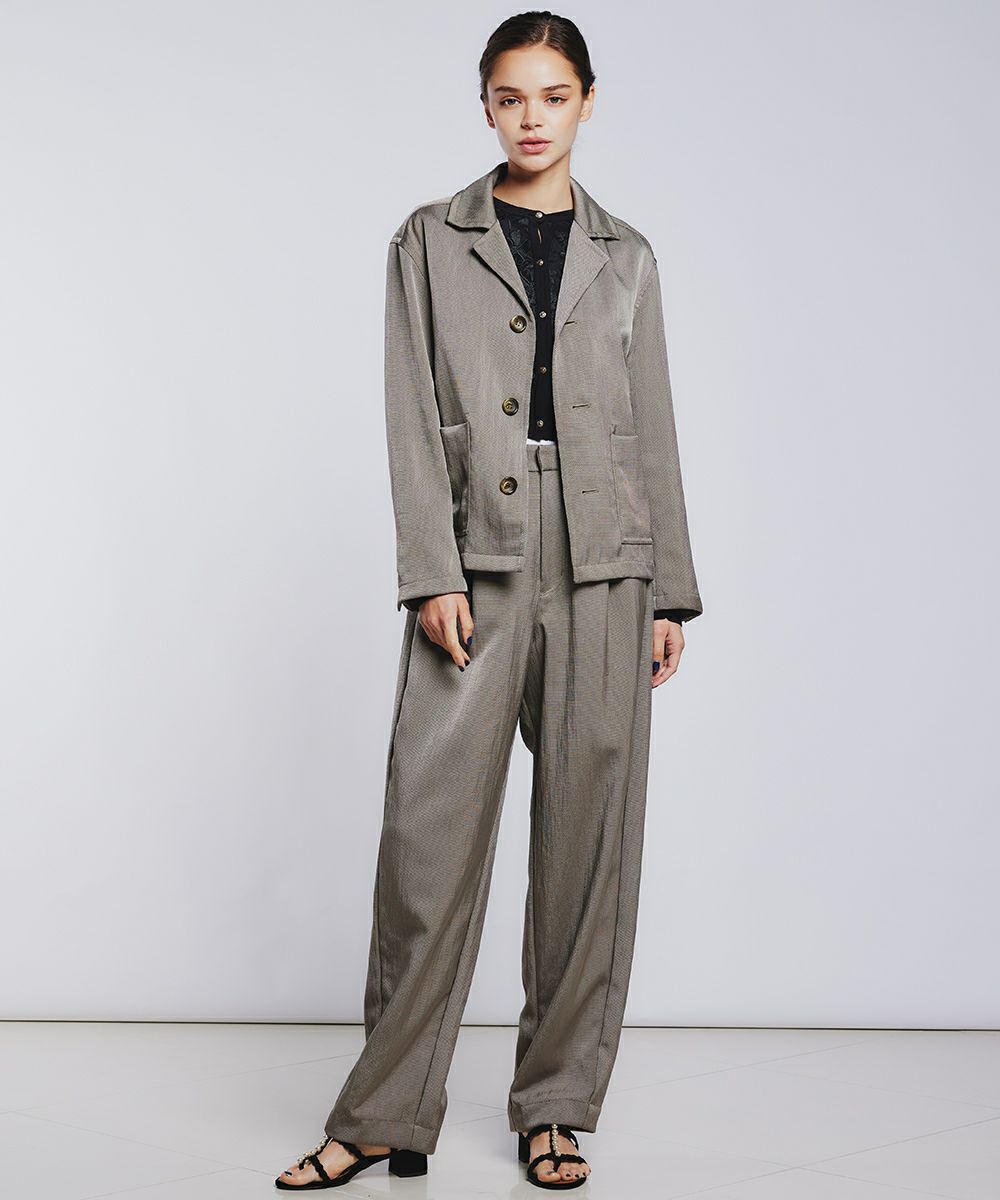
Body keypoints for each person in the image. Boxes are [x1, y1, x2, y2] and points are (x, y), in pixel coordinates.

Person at [276, 9, 703, 1192]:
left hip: (609, 560)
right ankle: (384, 1113)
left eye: (553, 96)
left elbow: (652, 424)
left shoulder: (628, 255)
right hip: (478, 555)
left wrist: (668, 589)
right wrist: (430, 570)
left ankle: (556, 1106)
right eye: (510, 97)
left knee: (586, 851)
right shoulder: (428, 239)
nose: (531, 118)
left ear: (586, 102)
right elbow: (410, 412)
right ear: (484, 105)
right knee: (428, 841)